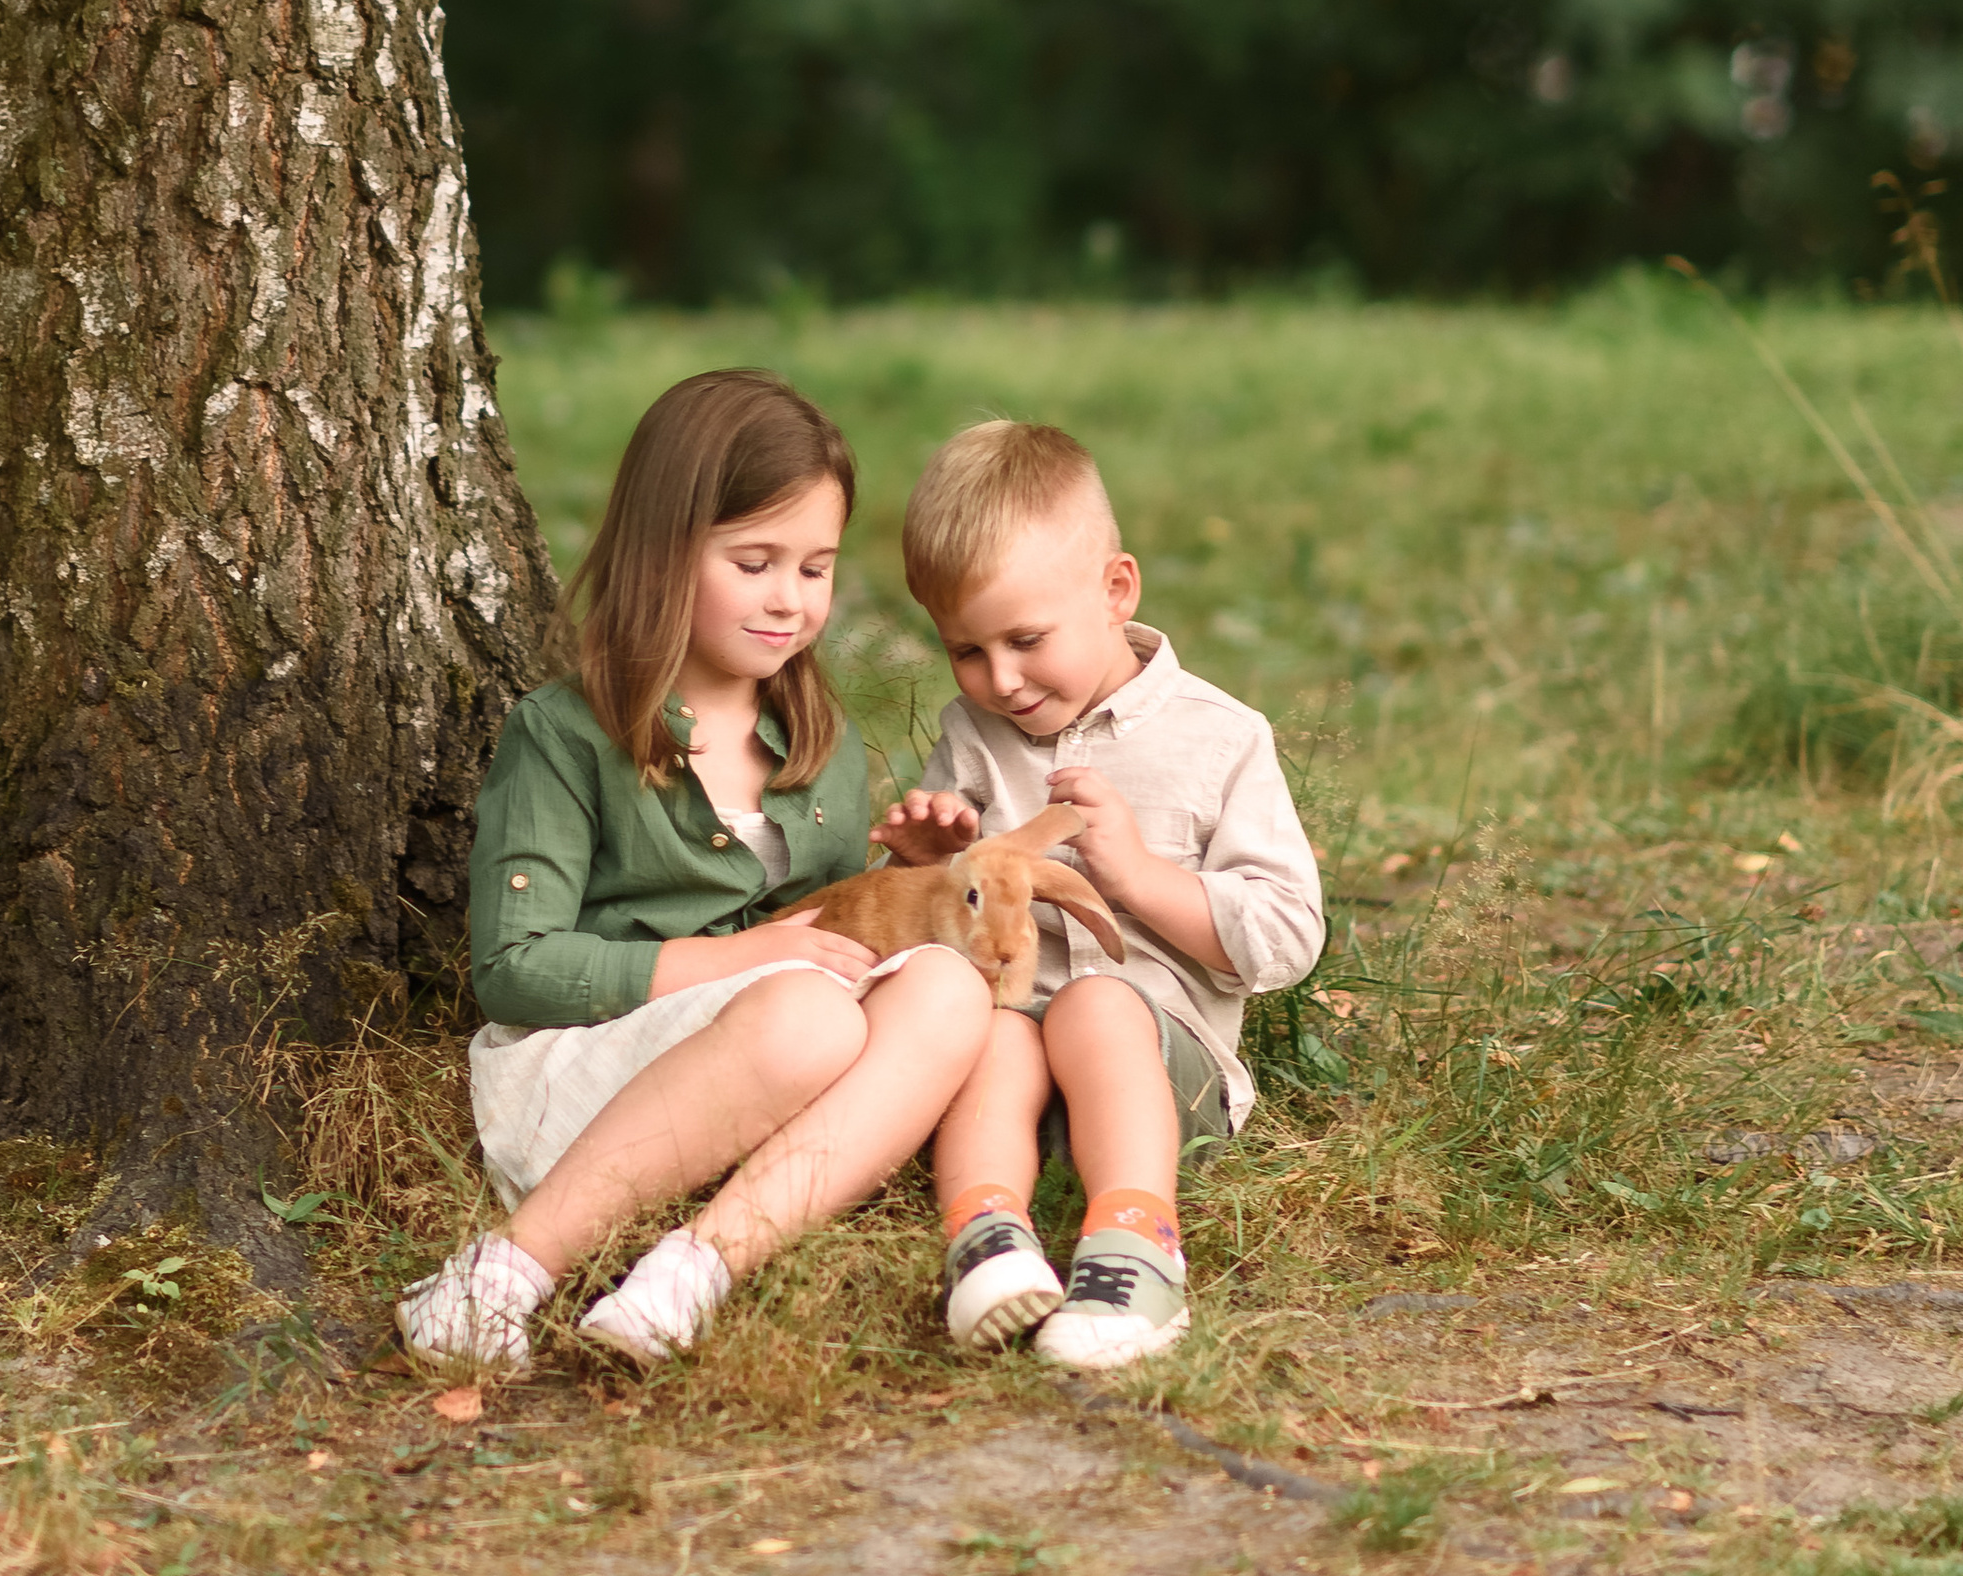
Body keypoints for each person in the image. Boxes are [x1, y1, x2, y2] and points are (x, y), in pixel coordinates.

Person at [395, 368, 1000, 1369]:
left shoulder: (816, 739)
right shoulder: (565, 734)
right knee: (804, 1011)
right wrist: (753, 957)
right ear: (663, 549)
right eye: (754, 562)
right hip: (586, 1071)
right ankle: (502, 1272)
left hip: (764, 1047)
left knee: (944, 989)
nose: (788, 601)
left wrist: (906, 885)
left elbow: (814, 942)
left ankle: (691, 1270)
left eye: (814, 569)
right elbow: (516, 968)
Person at [879, 416, 1325, 1372]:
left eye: (1026, 639)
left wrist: (1140, 880)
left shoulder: (1222, 738)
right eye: (965, 651)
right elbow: (925, 937)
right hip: (1004, 1077)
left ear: (1116, 590)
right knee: (993, 1026)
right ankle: (985, 1239)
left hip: (1166, 1077)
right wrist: (922, 868)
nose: (998, 680)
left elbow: (1288, 938)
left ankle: (1136, 1245)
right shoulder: (972, 740)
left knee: (1094, 1003)